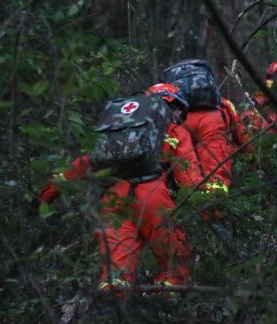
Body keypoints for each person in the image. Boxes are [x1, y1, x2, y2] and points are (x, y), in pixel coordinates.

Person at [39, 84, 204, 292]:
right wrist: (206, 206)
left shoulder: (117, 130)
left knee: (115, 273)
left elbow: (85, 163)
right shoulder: (174, 130)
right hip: (152, 195)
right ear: (176, 108)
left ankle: (112, 314)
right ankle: (165, 309)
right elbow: (190, 179)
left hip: (114, 200)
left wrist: (48, 193)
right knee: (175, 262)